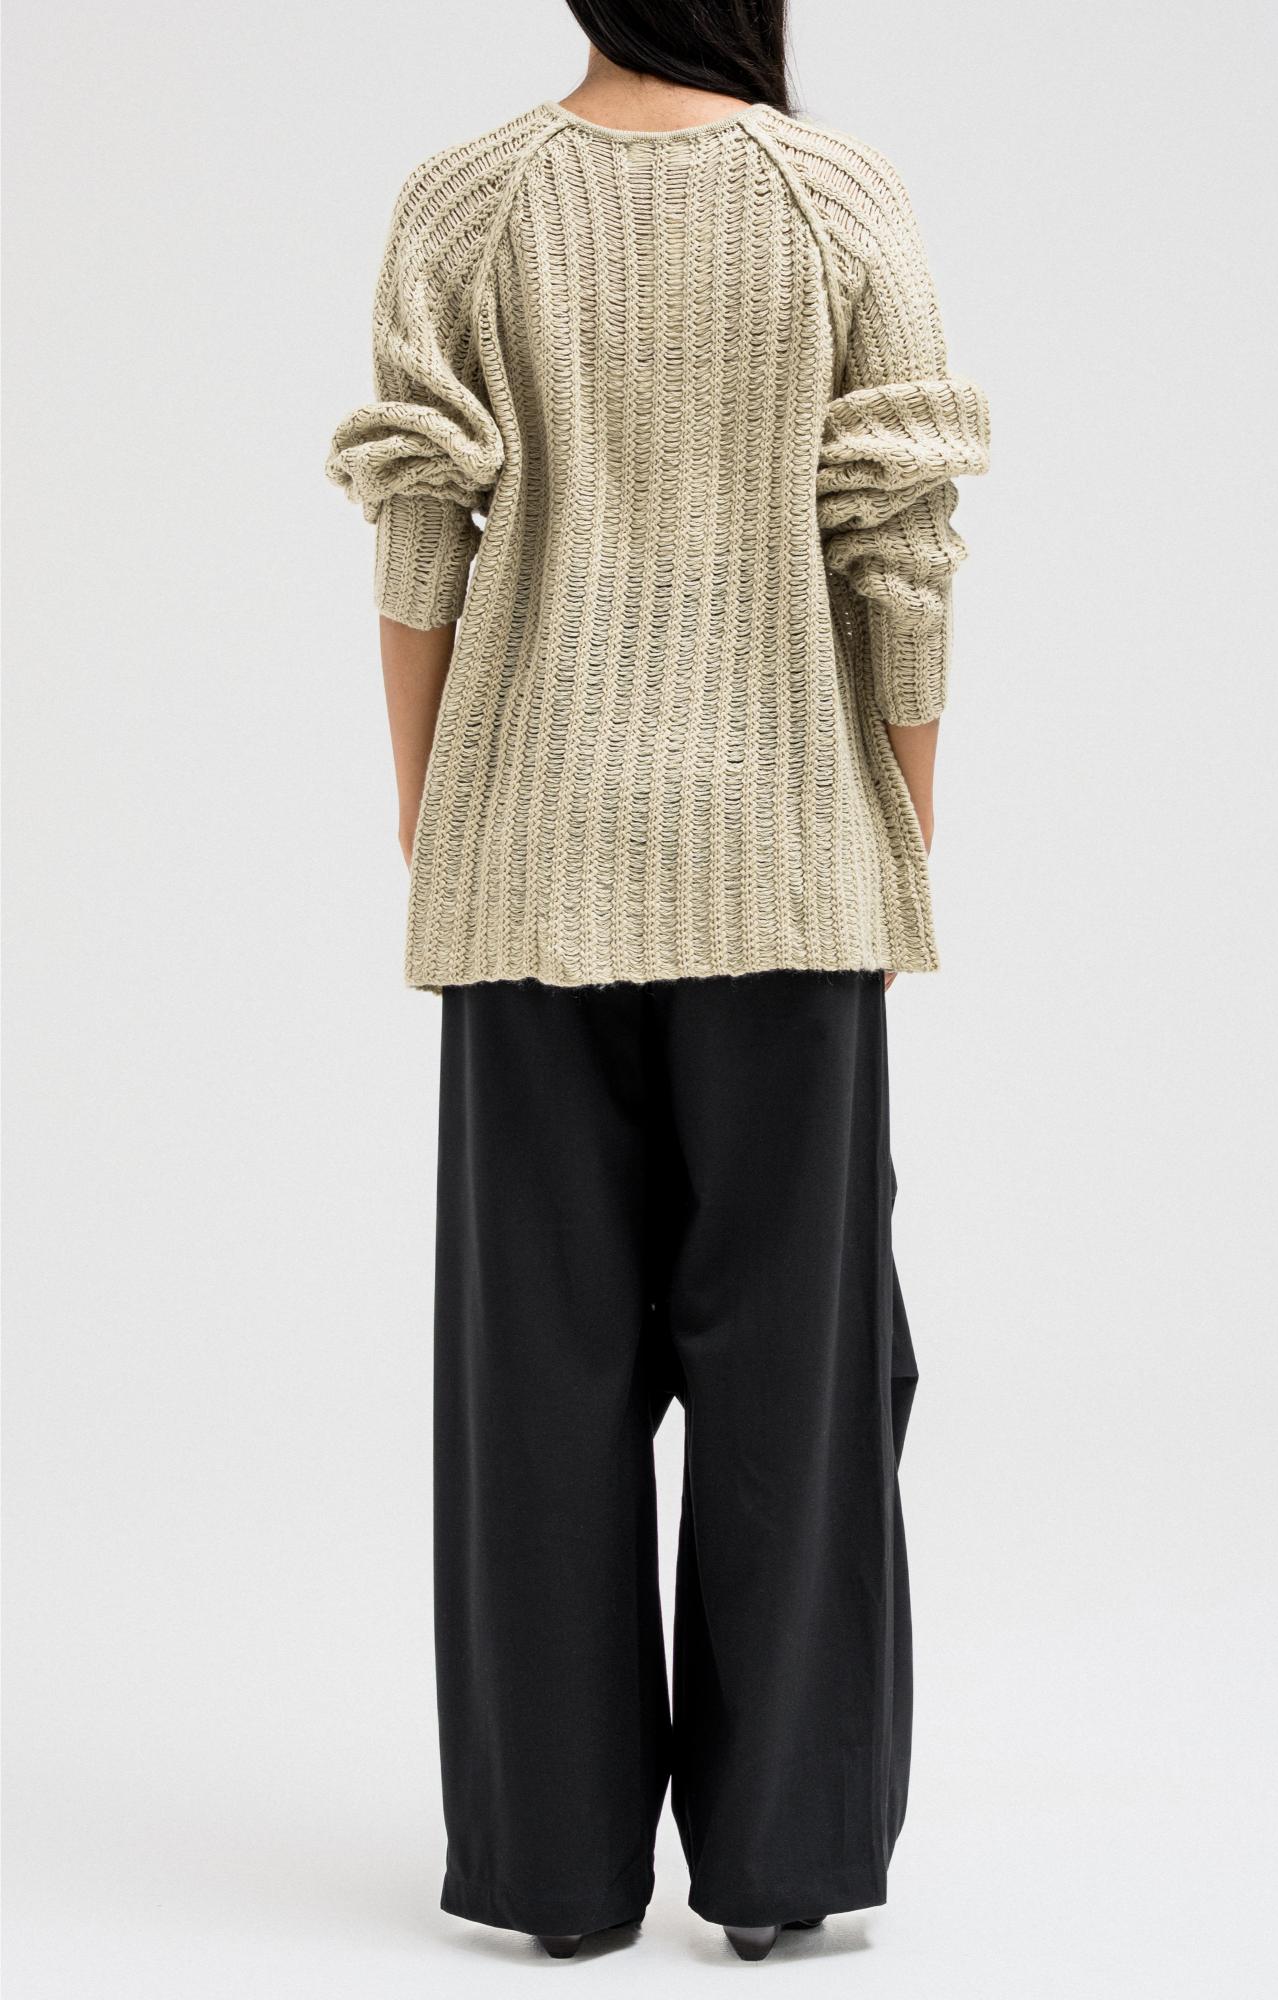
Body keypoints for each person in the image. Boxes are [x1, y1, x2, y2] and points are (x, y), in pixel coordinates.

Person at [325, 0, 989, 1963]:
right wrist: (898, 820)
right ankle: (779, 1872)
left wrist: (430, 804)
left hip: (529, 861)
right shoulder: (837, 198)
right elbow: (904, 541)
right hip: (790, 862)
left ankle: (555, 1876)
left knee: (536, 1376)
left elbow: (416, 528)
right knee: (799, 1378)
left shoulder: (465, 201)